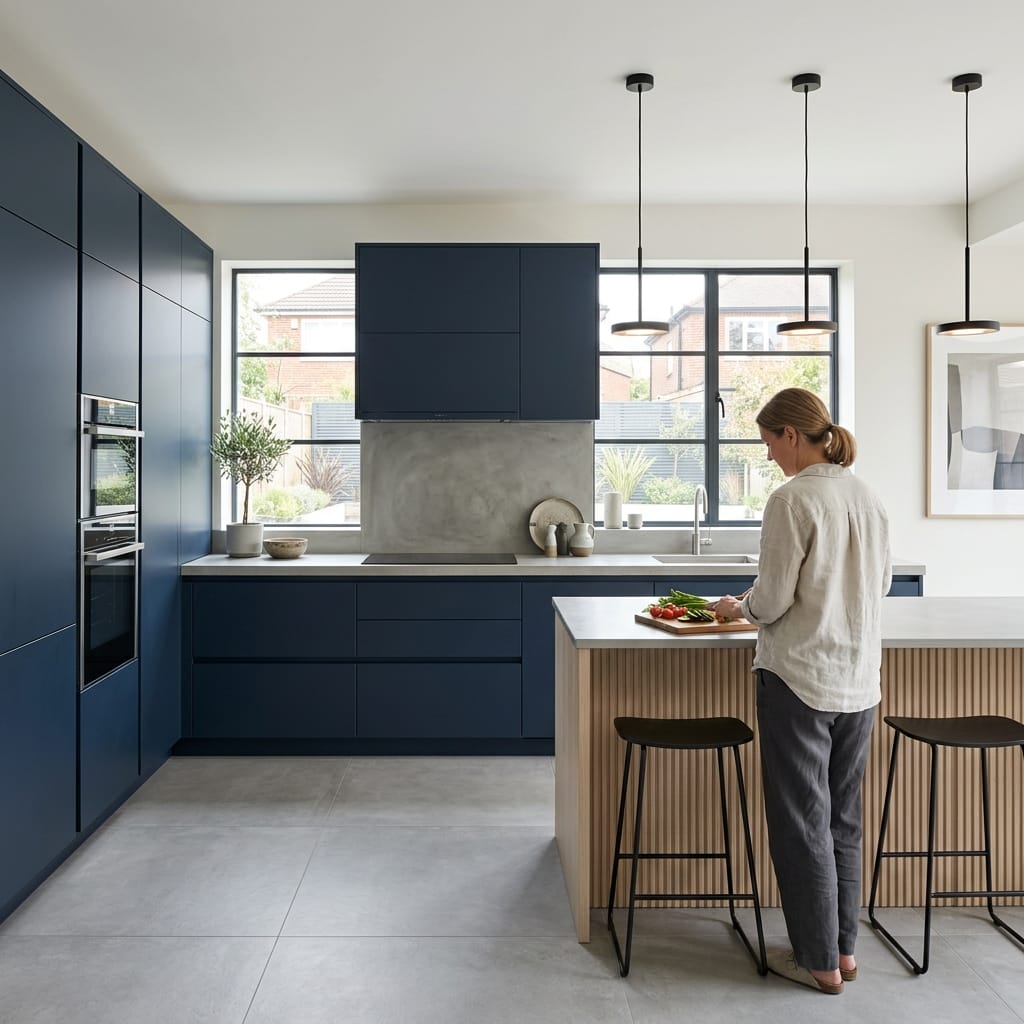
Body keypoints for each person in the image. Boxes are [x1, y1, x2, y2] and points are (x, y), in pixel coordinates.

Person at [712, 387, 891, 996]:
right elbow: (882, 582)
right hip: (858, 680)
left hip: (798, 678)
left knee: (800, 821)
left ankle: (815, 960)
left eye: (768, 444)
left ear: (792, 434)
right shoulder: (867, 496)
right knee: (844, 818)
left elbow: (771, 600)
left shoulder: (791, 500)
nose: (769, 458)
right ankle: (842, 951)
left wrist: (736, 606)